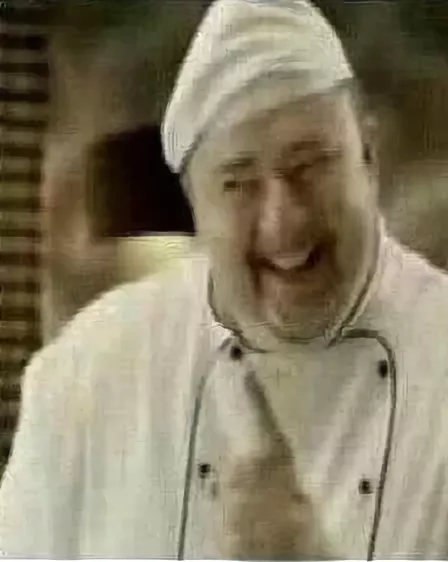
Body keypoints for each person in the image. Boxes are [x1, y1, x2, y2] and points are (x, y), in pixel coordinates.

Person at [1, 0, 448, 558]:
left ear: (368, 155)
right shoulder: (86, 375)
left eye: (309, 166)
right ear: (195, 203)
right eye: (239, 183)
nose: (283, 221)